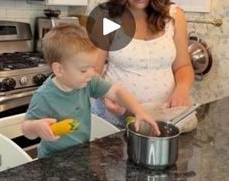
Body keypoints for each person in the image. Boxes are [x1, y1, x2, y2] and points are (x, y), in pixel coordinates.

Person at [92, 0, 194, 127]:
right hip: (115, 119)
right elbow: (92, 71)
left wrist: (182, 89)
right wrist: (106, 93)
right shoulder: (109, 17)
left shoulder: (174, 16)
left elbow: (183, 66)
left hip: (161, 118)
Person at [22, 24, 159, 158]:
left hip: (80, 155)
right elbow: (26, 130)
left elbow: (116, 91)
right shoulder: (44, 96)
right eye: (84, 70)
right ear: (59, 69)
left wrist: (138, 110)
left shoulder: (88, 82)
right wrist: (36, 127)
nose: (91, 73)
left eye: (92, 67)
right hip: (52, 160)